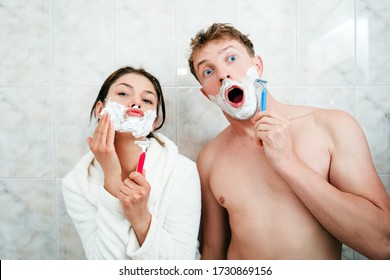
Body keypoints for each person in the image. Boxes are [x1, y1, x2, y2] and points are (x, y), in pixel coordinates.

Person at [188, 23, 390, 260]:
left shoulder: (332, 127)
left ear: (257, 66)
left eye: (231, 58)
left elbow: (382, 244)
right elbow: (213, 254)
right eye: (208, 72)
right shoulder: (210, 157)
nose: (223, 74)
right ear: (206, 93)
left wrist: (287, 161)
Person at [62, 66, 201, 259]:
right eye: (123, 93)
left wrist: (141, 218)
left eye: (147, 100)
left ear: (154, 121)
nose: (136, 102)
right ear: (100, 109)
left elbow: (181, 265)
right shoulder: (76, 184)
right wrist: (111, 178)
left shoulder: (182, 171)